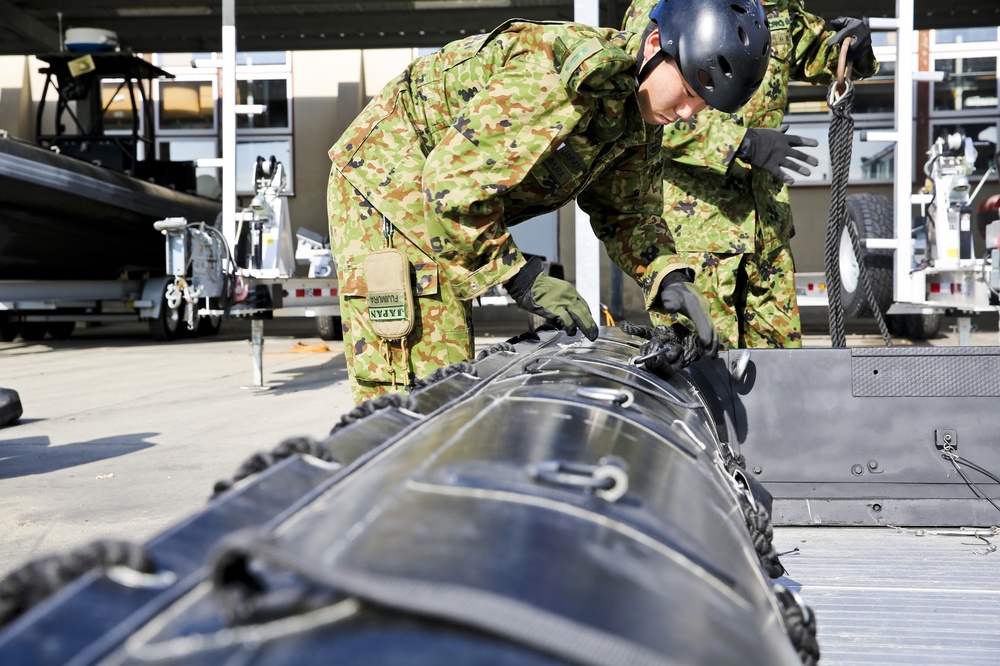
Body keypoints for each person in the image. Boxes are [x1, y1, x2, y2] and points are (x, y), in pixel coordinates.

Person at [328, 0, 771, 403]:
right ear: (655, 44)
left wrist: (668, 278)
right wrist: (521, 278)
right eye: (691, 90)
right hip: (388, 184)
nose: (688, 113)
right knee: (425, 389)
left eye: (704, 105)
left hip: (439, 188)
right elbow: (453, 186)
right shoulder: (562, 75)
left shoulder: (636, 112)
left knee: (447, 387)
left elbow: (628, 212)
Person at [623, 1, 878, 348]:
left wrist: (855, 48)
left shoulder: (775, 6)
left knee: (782, 374)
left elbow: (819, 54)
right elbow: (646, 105)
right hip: (698, 236)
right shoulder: (666, 7)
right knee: (704, 370)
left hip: (766, 232)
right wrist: (739, 144)